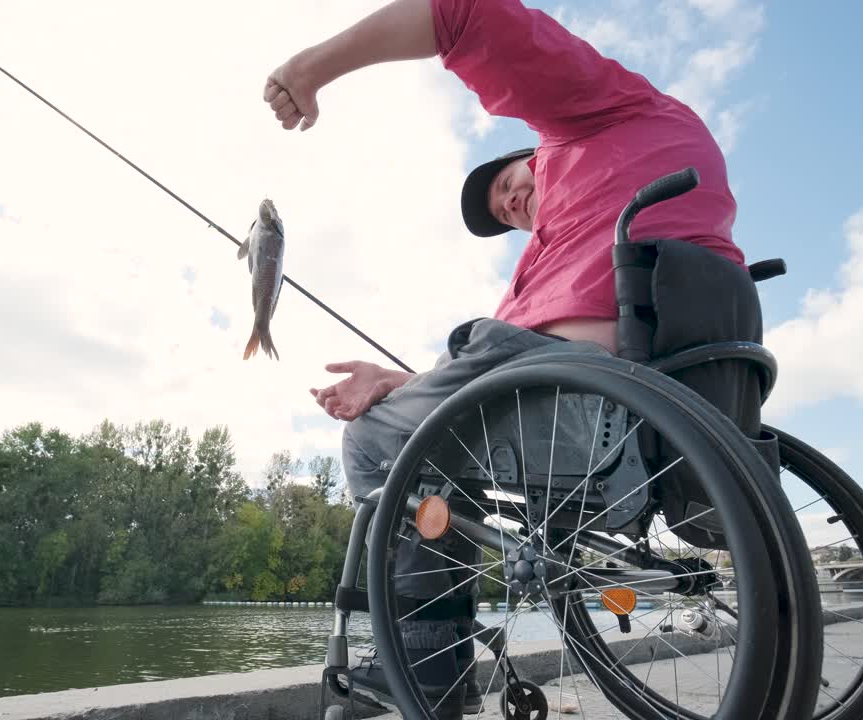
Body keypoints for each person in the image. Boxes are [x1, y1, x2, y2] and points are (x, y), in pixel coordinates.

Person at [263, 0, 748, 716]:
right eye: (506, 212)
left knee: (372, 443)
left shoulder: (603, 115)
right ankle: (432, 646)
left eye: (510, 179)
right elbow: (494, 378)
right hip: (656, 412)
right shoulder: (562, 249)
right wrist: (400, 382)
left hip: (580, 406)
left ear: (537, 143)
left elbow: (461, 12)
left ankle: (429, 664)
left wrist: (309, 69)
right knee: (419, 416)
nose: (513, 201)